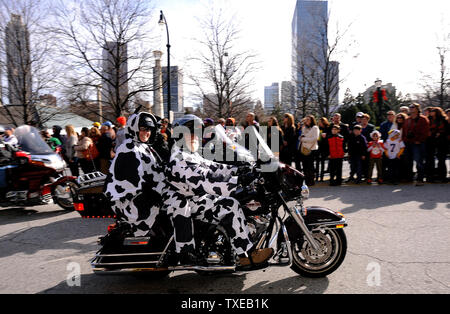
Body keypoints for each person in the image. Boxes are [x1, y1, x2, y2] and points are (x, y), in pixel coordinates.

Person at [165, 114, 274, 267]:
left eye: (197, 132)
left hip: (196, 197)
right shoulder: (179, 158)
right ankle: (247, 255)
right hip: (188, 202)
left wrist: (238, 169)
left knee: (235, 202)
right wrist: (238, 182)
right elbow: (205, 180)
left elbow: (213, 167)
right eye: (190, 132)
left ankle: (240, 248)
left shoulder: (190, 154)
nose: (195, 136)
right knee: (230, 206)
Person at [104, 112, 167, 238]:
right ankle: (184, 249)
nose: (146, 132)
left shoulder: (144, 146)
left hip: (147, 196)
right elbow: (131, 180)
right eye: (142, 129)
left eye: (149, 129)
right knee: (179, 207)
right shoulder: (128, 148)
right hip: (132, 202)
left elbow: (158, 168)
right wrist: (153, 193)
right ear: (134, 129)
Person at [402, 103, 430, 186]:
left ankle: (420, 179)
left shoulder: (423, 119)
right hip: (408, 143)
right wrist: (404, 140)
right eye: (410, 107)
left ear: (417, 109)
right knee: (408, 161)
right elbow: (404, 131)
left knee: (419, 161)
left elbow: (425, 132)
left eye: (412, 107)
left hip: (418, 143)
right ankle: (409, 178)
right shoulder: (408, 120)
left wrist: (419, 140)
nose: (410, 109)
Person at [426, 107, 449, 183]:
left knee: (441, 159)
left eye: (433, 111)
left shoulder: (443, 120)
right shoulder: (428, 119)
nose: (431, 112)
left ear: (437, 112)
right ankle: (430, 176)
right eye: (431, 111)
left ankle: (442, 176)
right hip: (430, 141)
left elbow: (446, 130)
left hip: (441, 141)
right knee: (430, 159)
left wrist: (440, 133)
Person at [299, 115, 319, 186]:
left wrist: (304, 139)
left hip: (312, 149)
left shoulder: (315, 128)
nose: (306, 121)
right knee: (305, 165)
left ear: (312, 120)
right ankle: (306, 180)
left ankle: (311, 180)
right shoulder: (304, 128)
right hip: (304, 149)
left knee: (310, 166)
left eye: (308, 119)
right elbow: (301, 137)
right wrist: (305, 138)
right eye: (306, 119)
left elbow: (314, 139)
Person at [316, 117, 331, 182]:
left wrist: (326, 136)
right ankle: (316, 177)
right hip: (318, 147)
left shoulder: (328, 128)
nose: (319, 123)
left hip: (325, 147)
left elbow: (330, 136)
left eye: (320, 122)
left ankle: (321, 177)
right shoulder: (317, 128)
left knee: (322, 163)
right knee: (317, 162)